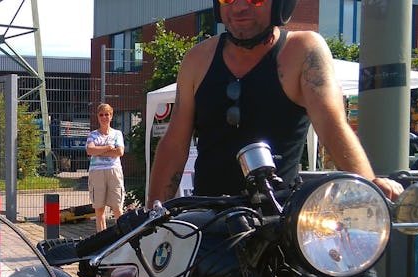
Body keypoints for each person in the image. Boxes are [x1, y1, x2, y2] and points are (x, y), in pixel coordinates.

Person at [147, 0, 402, 206]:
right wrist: (151, 220)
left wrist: (368, 185)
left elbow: (331, 124)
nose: (238, 7)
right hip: (209, 223)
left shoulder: (302, 51)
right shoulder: (197, 59)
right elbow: (174, 144)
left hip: (278, 223)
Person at [87, 103, 125, 232]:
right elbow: (90, 150)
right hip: (97, 172)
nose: (104, 117)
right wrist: (108, 148)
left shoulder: (117, 134)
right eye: (101, 115)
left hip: (114, 170)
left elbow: (119, 152)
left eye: (106, 114)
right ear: (98, 117)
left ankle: (123, 236)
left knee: (117, 206)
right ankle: (101, 237)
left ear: (111, 116)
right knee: (99, 208)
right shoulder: (92, 135)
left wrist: (99, 151)